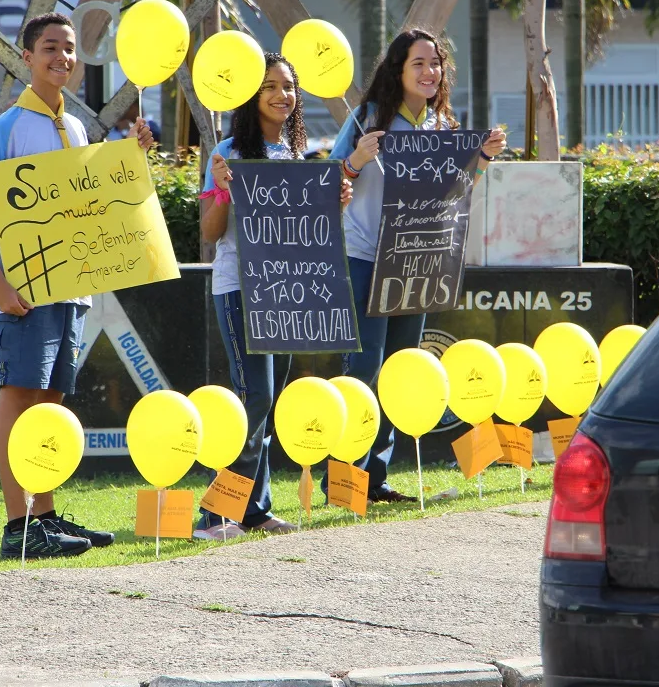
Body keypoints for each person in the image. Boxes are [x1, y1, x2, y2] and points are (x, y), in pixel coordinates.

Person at [0, 12, 155, 559]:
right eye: (50, 47)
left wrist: (133, 157)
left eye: (70, 49)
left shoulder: (75, 128)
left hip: (71, 288)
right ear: (27, 57)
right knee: (18, 396)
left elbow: (90, 205)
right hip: (24, 292)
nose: (63, 57)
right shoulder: (7, 126)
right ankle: (16, 525)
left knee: (50, 402)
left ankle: (44, 515)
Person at [328, 28, 507, 502]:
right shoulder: (366, 118)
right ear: (397, 70)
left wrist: (482, 159)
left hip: (418, 262)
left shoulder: (443, 126)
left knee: (400, 369)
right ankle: (342, 482)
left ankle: (375, 480)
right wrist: (354, 161)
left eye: (436, 63)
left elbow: (455, 191)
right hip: (364, 256)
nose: (430, 72)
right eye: (419, 63)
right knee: (362, 370)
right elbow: (326, 183)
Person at [196, 52, 353, 540]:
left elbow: (307, 236)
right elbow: (208, 233)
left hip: (287, 293)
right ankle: (216, 515)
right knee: (253, 396)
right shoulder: (227, 152)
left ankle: (255, 509)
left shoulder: (295, 157)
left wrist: (335, 206)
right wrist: (223, 190)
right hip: (240, 289)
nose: (282, 94)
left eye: (288, 86)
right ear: (250, 94)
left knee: (266, 400)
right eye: (270, 86)